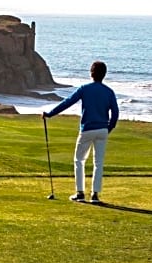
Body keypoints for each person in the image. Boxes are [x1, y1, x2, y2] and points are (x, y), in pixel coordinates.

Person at [42, 60, 119, 204]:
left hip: (87, 129)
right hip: (102, 130)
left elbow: (68, 102)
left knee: (79, 160)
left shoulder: (85, 89)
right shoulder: (109, 92)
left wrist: (50, 114)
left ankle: (80, 193)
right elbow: (115, 113)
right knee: (98, 163)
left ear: (91, 73)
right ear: (104, 75)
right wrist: (109, 128)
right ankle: (95, 195)